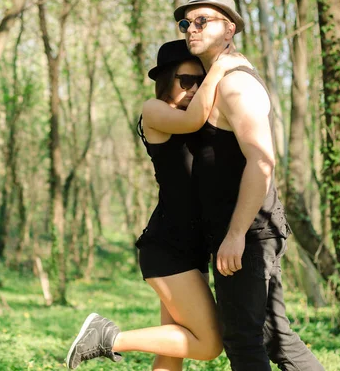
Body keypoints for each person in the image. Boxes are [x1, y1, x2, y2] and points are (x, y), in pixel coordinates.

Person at [65, 40, 248, 370]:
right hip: (168, 246)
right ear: (166, 80)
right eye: (187, 80)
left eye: (200, 80)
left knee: (171, 353)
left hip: (191, 249)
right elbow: (193, 120)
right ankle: (106, 336)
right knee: (208, 344)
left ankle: (106, 337)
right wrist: (219, 67)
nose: (195, 88)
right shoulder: (155, 110)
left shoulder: (200, 120)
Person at [173, 0, 325, 371]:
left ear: (229, 29)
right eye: (185, 22)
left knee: (243, 338)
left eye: (202, 20)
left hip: (249, 232)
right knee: (275, 336)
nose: (191, 28)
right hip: (239, 230)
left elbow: (262, 163)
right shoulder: (215, 84)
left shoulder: (237, 85)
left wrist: (237, 234)